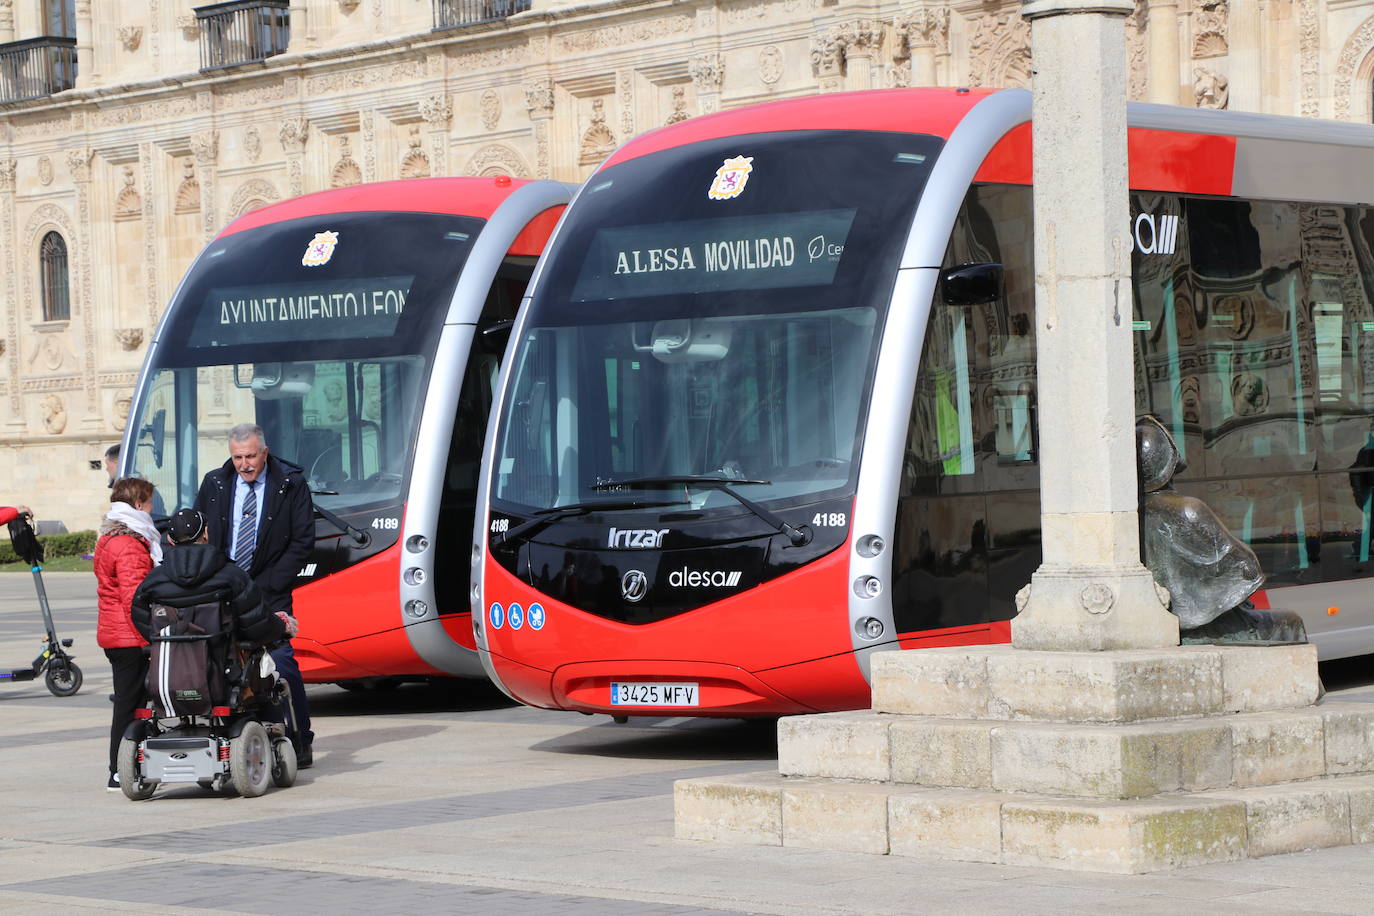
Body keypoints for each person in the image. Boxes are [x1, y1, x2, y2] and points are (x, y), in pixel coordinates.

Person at [194, 423, 316, 767]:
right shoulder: (215, 483)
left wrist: (270, 584)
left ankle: (299, 739)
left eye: (250, 456)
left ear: (264, 452)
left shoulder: (290, 484)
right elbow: (201, 532)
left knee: (283, 665)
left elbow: (303, 541)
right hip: (223, 589)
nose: (244, 464)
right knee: (222, 667)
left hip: (269, 592)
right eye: (237, 457)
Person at [130, 508, 294, 655]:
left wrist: (168, 640)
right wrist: (281, 626)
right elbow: (256, 623)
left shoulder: (153, 581)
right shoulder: (233, 576)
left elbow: (140, 616)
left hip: (173, 665)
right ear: (206, 533)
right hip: (224, 666)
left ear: (171, 541)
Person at [94, 477, 161, 791]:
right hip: (130, 637)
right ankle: (119, 770)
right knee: (129, 705)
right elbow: (135, 599)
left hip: (116, 634)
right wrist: (151, 637)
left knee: (129, 702)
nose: (152, 509)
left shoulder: (110, 537)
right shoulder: (130, 545)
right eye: (149, 503)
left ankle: (126, 766)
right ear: (138, 505)